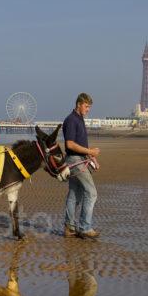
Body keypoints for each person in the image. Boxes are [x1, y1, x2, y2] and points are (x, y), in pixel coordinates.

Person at [62, 93, 101, 239]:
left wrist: (91, 158)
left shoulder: (79, 119)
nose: (88, 109)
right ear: (78, 104)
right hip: (74, 161)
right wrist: (90, 151)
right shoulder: (71, 120)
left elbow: (81, 144)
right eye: (86, 106)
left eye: (89, 107)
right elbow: (70, 144)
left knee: (74, 194)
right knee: (91, 193)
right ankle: (85, 227)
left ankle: (69, 227)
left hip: (79, 159)